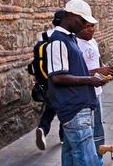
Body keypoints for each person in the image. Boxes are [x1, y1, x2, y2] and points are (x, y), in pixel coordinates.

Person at [46, 0, 107, 166]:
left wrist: (96, 76)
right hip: (74, 109)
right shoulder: (58, 40)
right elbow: (57, 76)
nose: (84, 25)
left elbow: (74, 71)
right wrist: (90, 80)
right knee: (87, 159)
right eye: (82, 20)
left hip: (79, 106)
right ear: (71, 16)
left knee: (71, 156)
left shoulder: (69, 38)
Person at [76, 21, 113, 165]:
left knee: (98, 129)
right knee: (87, 131)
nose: (90, 29)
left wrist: (108, 71)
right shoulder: (75, 44)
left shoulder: (93, 41)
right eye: (87, 26)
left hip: (96, 92)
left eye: (92, 26)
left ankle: (98, 159)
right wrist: (98, 72)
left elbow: (99, 64)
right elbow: (75, 74)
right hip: (83, 95)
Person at [35, 10, 65, 150]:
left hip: (45, 80)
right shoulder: (64, 37)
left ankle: (42, 128)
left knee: (50, 107)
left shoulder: (43, 36)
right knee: (65, 108)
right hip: (61, 78)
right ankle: (63, 137)